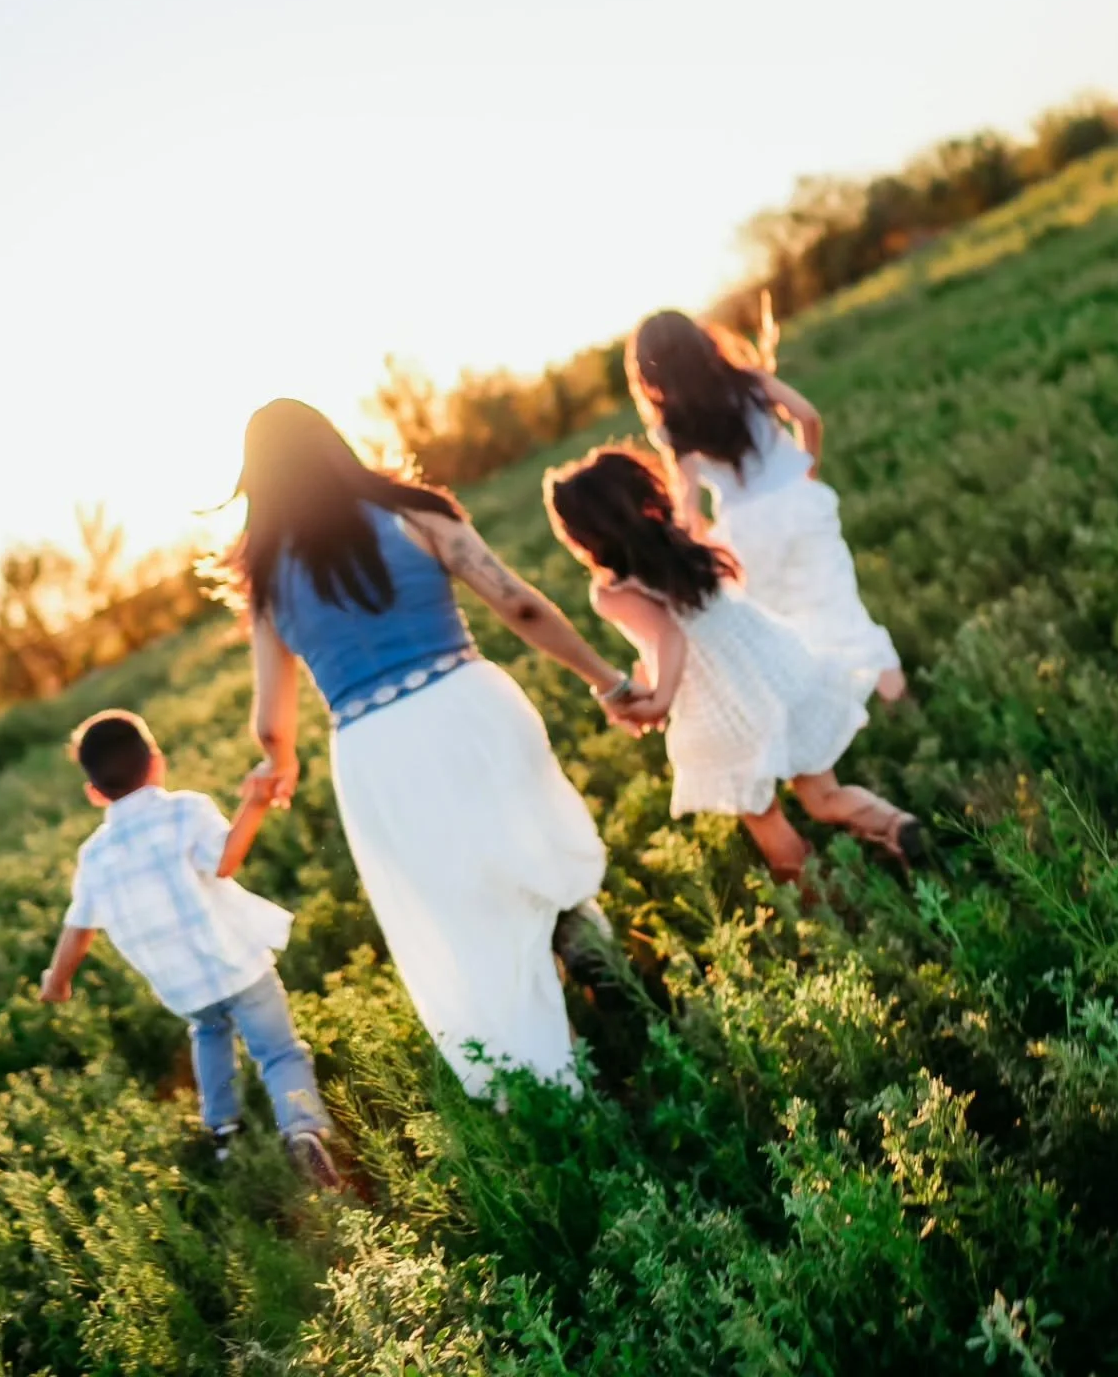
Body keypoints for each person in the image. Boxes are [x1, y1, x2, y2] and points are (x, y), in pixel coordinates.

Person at [220, 399, 638, 1100]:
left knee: (464, 906)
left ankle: (562, 1082)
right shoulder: (414, 511)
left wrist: (280, 765)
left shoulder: (266, 579)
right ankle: (603, 972)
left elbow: (271, 724)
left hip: (376, 748)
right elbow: (519, 604)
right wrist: (607, 681)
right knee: (531, 849)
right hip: (467, 703)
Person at [544, 447, 922, 887]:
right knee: (823, 796)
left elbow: (669, 635)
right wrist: (649, 677)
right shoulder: (680, 545)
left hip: (722, 703)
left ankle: (827, 909)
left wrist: (659, 699)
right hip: (772, 666)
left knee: (765, 817)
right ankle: (897, 826)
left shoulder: (610, 592)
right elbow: (669, 638)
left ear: (586, 537)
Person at [37, 710, 341, 1188]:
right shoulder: (186, 810)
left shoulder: (94, 855)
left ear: (95, 793)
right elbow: (224, 861)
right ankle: (302, 1130)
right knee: (279, 1053)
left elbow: (78, 928)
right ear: (156, 763)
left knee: (209, 1034)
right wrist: (255, 805)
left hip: (183, 987)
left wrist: (57, 981)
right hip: (239, 965)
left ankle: (224, 1133)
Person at [626, 308, 907, 704]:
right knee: (839, 604)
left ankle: (825, 706)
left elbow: (687, 501)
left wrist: (693, 545)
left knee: (783, 621)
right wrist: (807, 467)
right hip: (799, 503)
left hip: (745, 529)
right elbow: (808, 416)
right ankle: (898, 701)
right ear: (701, 340)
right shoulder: (749, 382)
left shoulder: (674, 425)